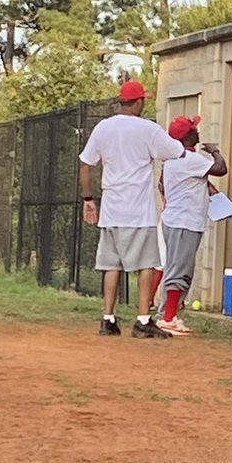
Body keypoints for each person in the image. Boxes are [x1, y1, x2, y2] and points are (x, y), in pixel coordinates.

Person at [79, 80, 185, 339]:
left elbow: (85, 163)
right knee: (146, 265)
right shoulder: (147, 129)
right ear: (138, 102)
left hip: (112, 210)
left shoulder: (104, 127)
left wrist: (88, 198)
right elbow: (176, 151)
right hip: (137, 210)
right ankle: (142, 319)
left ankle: (108, 318)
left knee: (111, 265)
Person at [156, 115, 227, 335]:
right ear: (188, 137)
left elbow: (162, 185)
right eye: (193, 129)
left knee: (180, 270)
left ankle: (169, 315)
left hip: (180, 220)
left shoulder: (174, 160)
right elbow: (221, 168)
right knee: (179, 271)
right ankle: (167, 318)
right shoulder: (189, 158)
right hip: (183, 222)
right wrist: (214, 150)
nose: (197, 131)